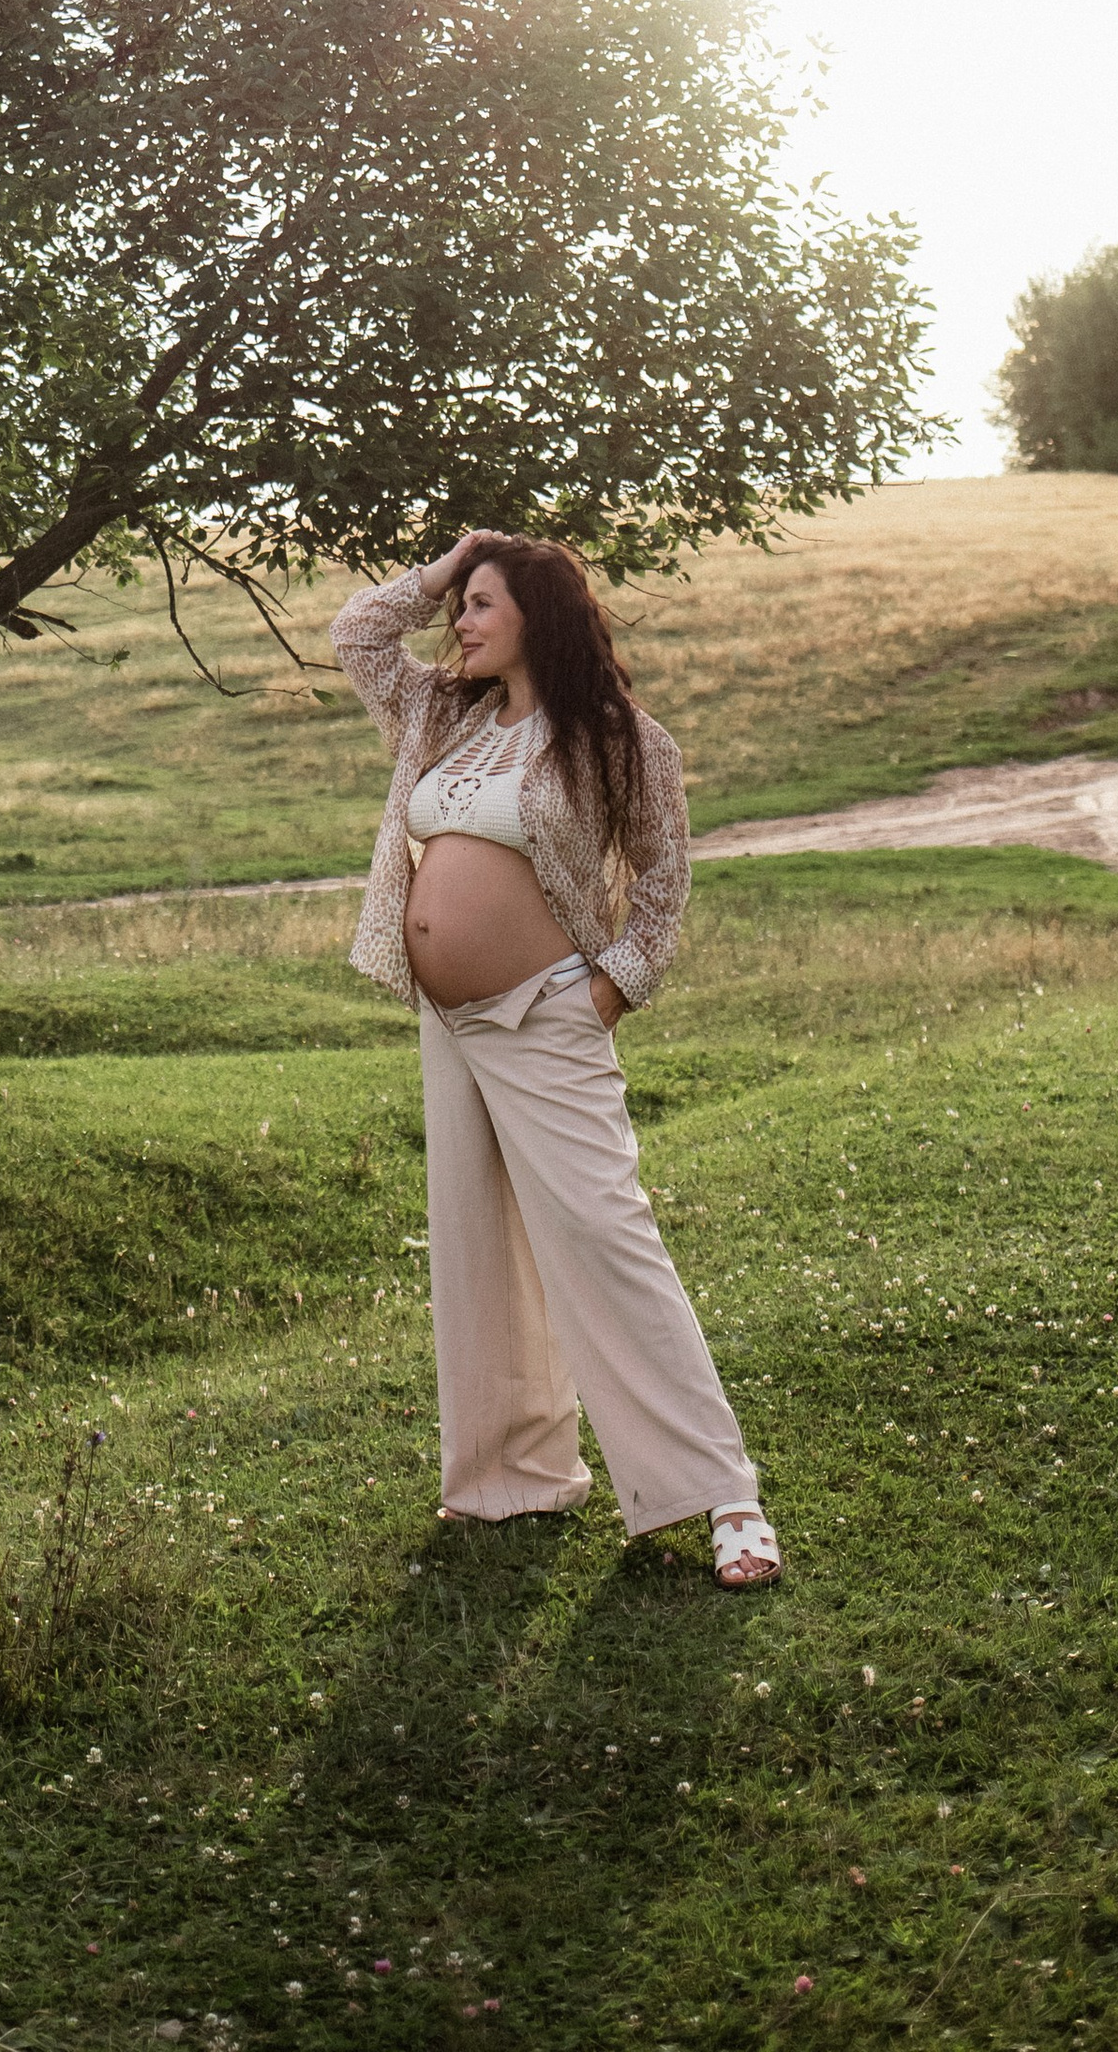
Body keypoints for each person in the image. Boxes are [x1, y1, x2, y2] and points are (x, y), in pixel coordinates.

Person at [335, 528, 780, 1586]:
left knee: (602, 1235)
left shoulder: (617, 738)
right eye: (460, 606)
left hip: (545, 1017)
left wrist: (613, 985)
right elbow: (356, 634)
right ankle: (512, 1475)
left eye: (483, 604)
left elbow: (665, 877)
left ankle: (724, 1496)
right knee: (477, 1245)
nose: (461, 622)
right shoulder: (444, 713)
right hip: (450, 1025)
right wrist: (450, 563)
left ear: (538, 614)